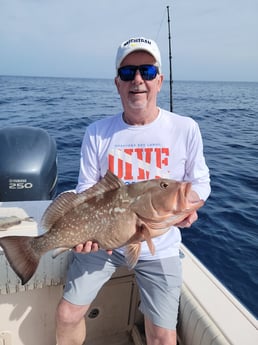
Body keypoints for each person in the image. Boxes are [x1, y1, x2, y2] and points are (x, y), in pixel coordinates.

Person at [55, 37, 211, 345]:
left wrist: (192, 207)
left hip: (160, 244)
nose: (137, 80)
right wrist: (86, 235)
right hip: (103, 241)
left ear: (159, 80)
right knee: (66, 314)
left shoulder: (185, 128)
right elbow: (86, 190)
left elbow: (200, 182)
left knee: (163, 336)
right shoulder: (98, 132)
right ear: (117, 83)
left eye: (147, 71)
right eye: (128, 73)